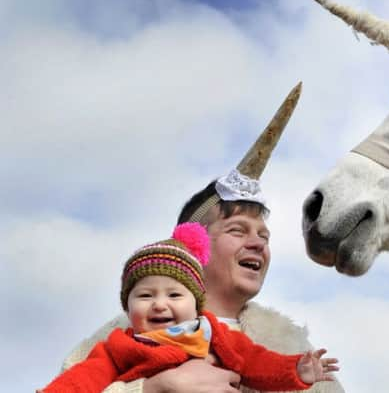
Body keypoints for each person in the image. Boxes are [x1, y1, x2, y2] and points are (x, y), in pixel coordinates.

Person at [58, 84, 345, 393]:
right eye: (237, 230)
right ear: (195, 246)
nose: (259, 244)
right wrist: (152, 388)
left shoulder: (293, 349)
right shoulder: (119, 341)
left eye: (264, 235)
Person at [40, 223, 338, 393]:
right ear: (127, 307)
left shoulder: (216, 335)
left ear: (196, 304)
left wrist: (294, 369)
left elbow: (257, 363)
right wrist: (152, 388)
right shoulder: (118, 345)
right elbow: (79, 382)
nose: (159, 303)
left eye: (174, 294)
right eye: (144, 296)